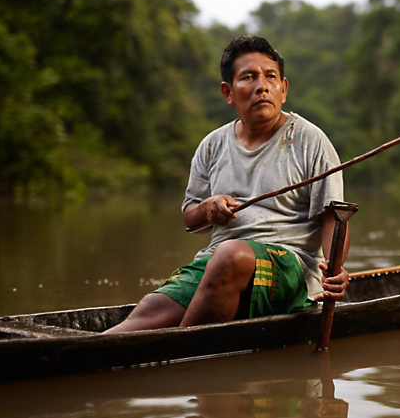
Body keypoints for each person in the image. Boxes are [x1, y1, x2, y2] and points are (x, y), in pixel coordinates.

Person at [105, 36, 349, 333]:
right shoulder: (212, 146)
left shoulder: (311, 141)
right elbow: (191, 219)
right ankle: (97, 352)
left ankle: (177, 360)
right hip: (216, 266)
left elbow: (333, 218)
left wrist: (335, 271)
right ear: (228, 92)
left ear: (283, 89)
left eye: (270, 77)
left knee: (230, 256)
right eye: (248, 77)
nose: (262, 86)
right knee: (149, 313)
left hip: (290, 268)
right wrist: (209, 208)